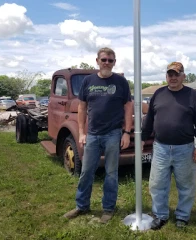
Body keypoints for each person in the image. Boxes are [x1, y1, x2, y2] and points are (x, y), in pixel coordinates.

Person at [64, 47, 133, 223]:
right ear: (97, 61)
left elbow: (128, 107)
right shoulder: (88, 81)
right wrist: (81, 132)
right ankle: (81, 206)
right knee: (86, 171)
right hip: (92, 134)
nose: (107, 63)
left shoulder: (121, 82)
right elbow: (82, 107)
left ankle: (108, 209)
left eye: (110, 60)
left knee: (111, 173)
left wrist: (126, 132)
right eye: (104, 60)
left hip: (113, 134)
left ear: (114, 62)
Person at [141, 62, 196, 230]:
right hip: (161, 148)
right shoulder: (158, 94)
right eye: (170, 74)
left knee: (186, 185)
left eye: (176, 74)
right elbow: (149, 119)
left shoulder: (192, 95)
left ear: (183, 76)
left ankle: (182, 217)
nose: (172, 77)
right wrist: (142, 138)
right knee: (157, 184)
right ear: (166, 76)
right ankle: (160, 215)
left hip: (184, 149)